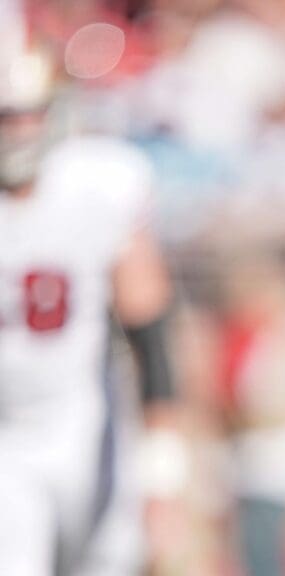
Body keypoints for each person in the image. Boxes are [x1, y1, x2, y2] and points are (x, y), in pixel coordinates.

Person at [0, 22, 181, 576]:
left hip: (87, 420)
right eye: (4, 117)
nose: (15, 131)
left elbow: (148, 324)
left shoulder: (98, 182)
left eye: (27, 113)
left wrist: (163, 470)